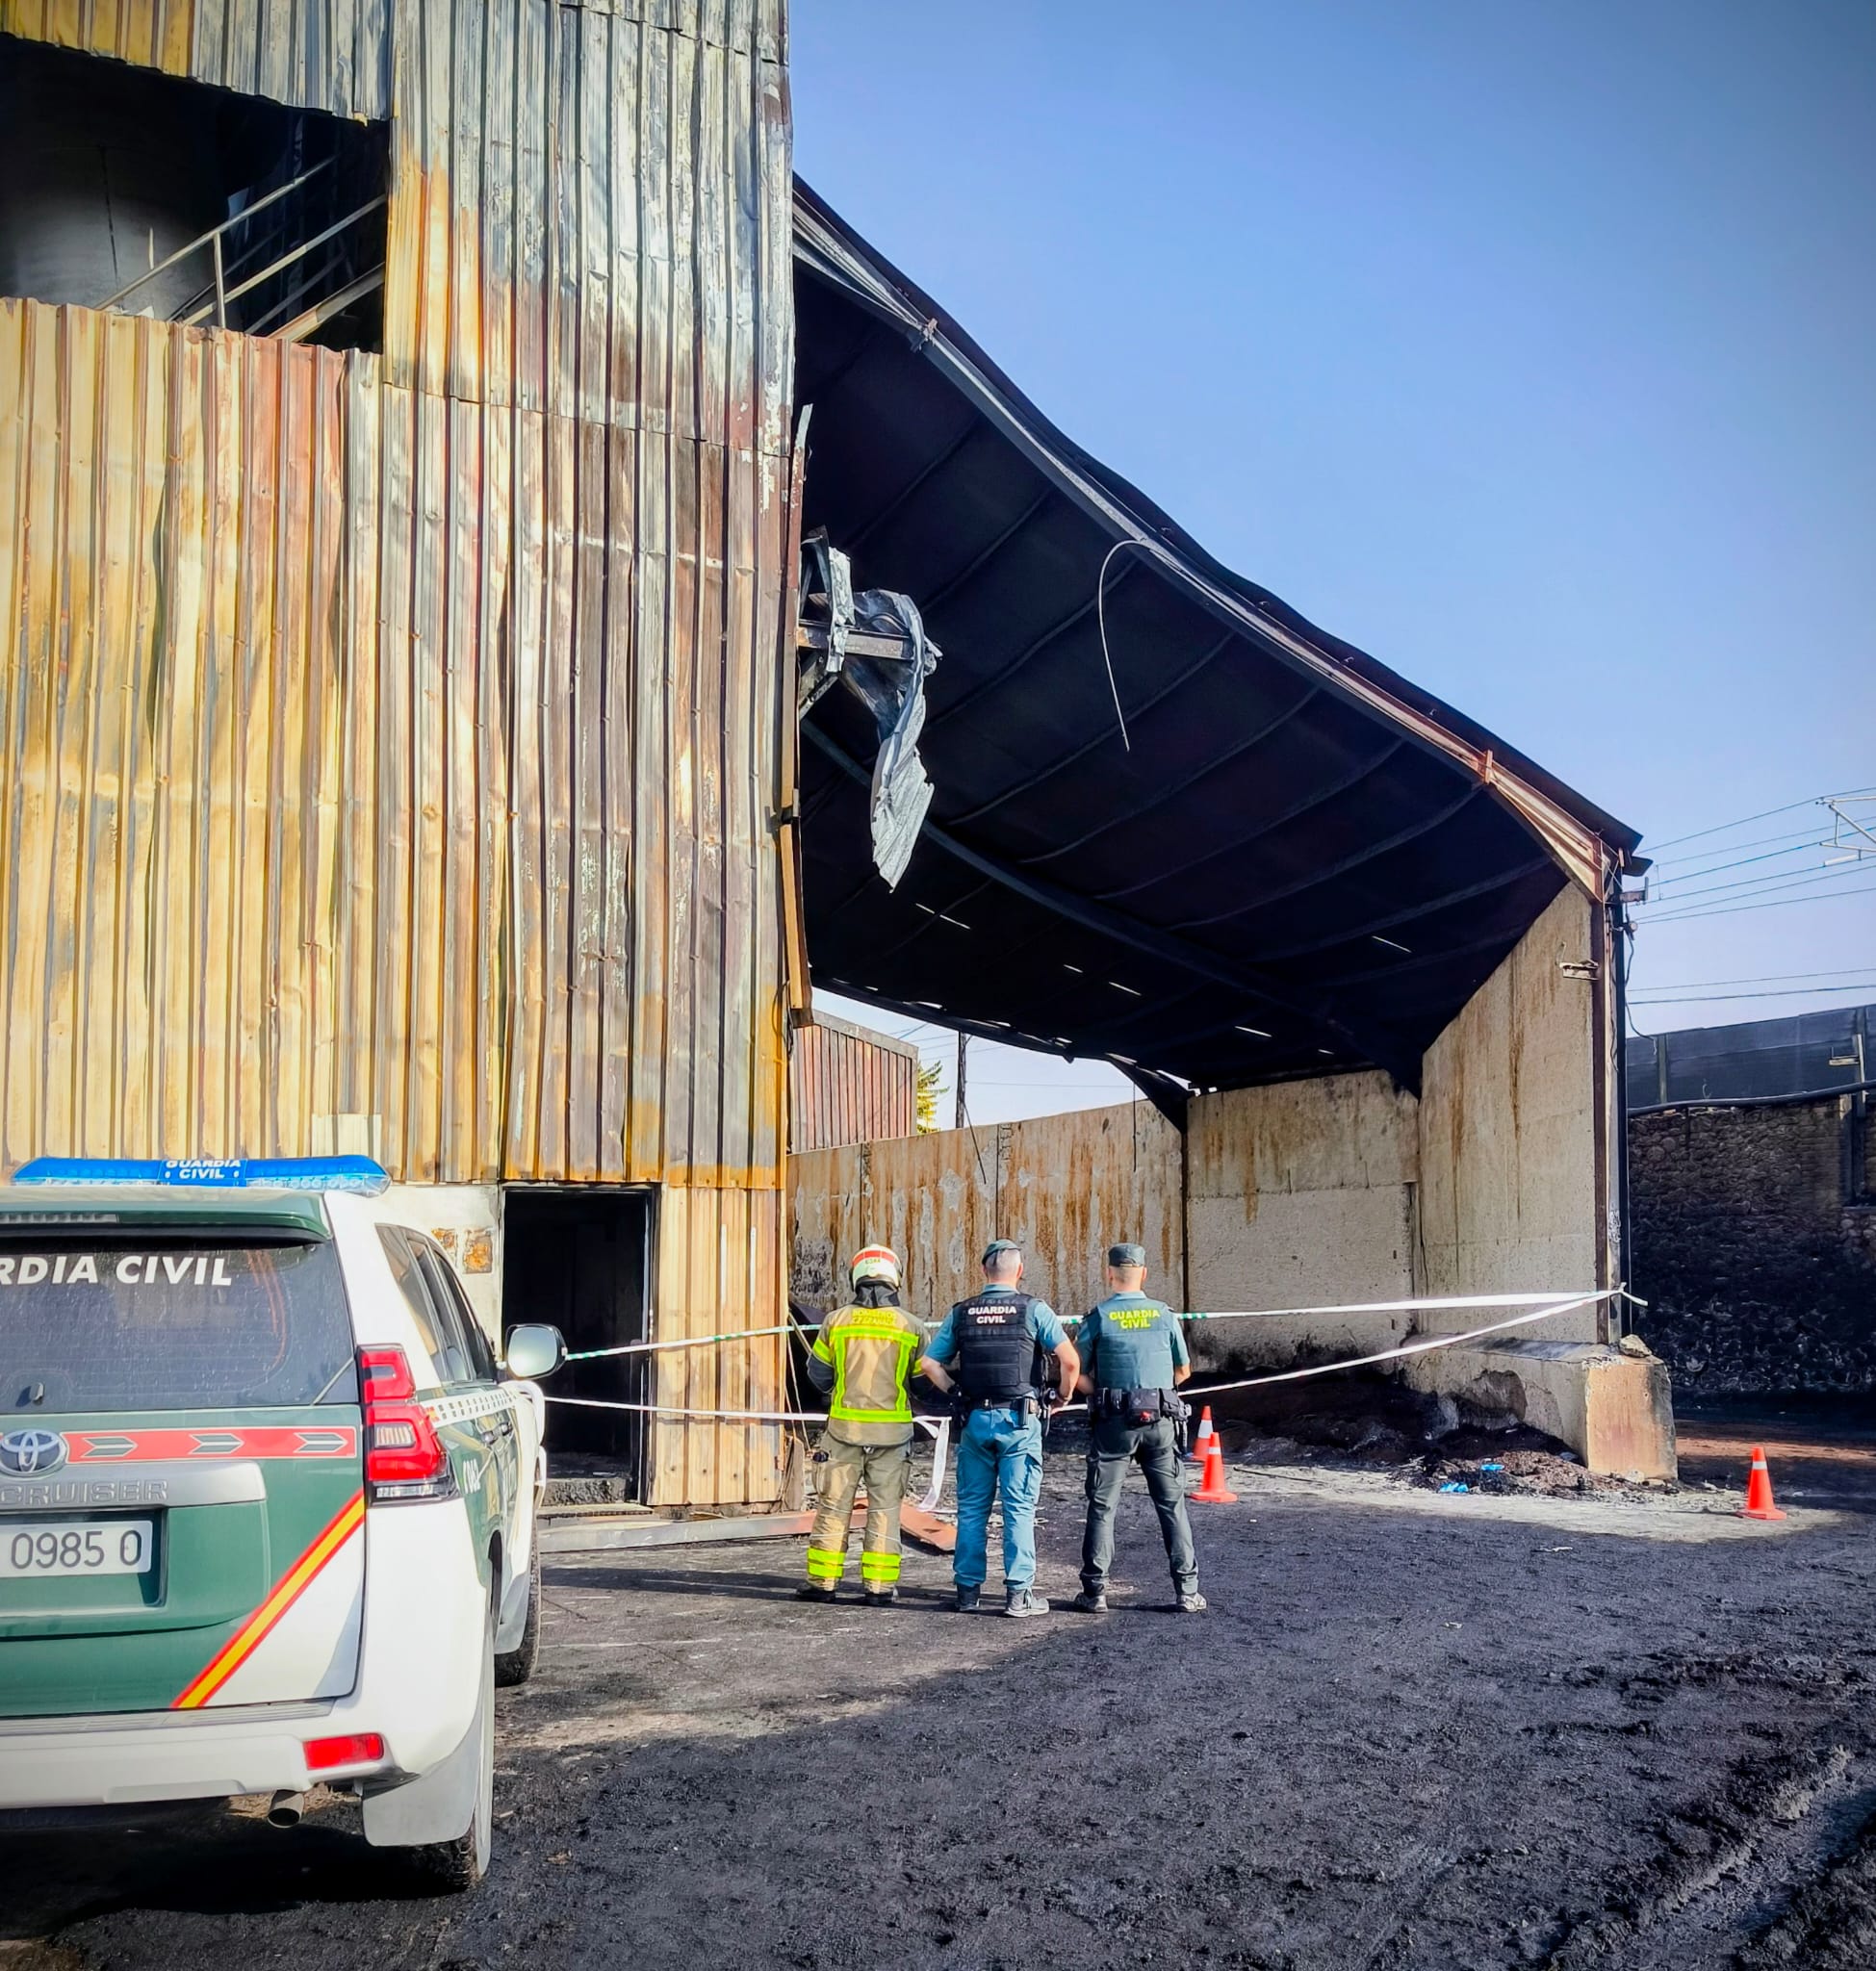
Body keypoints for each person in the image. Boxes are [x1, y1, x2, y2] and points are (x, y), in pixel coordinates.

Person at [918, 1240, 1079, 1618]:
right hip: (1020, 1422)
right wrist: (1060, 1398)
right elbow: (1069, 1360)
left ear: (983, 1271)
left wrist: (956, 1392)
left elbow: (929, 1364)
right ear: (1019, 1272)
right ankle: (1018, 1596)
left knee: (971, 1510)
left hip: (975, 1421)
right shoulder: (1034, 1310)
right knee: (1018, 1509)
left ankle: (967, 1593)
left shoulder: (962, 1313)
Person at [1072, 1242, 1205, 1614]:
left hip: (1114, 1424)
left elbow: (1075, 1370)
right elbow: (1183, 1371)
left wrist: (1100, 1392)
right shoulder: (1164, 1315)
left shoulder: (1098, 1316)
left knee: (1102, 1506)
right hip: (1160, 1421)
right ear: (1144, 1274)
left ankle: (1095, 1592)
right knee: (1171, 1506)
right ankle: (1187, 1591)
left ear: (1109, 1273)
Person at [799, 1244, 926, 1608]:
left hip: (843, 1435)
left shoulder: (836, 1322)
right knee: (885, 1511)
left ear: (857, 1277)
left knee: (833, 1507)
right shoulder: (911, 1326)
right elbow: (923, 1385)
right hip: (892, 1436)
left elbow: (819, 1378)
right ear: (894, 1277)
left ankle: (822, 1582)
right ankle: (879, 1588)